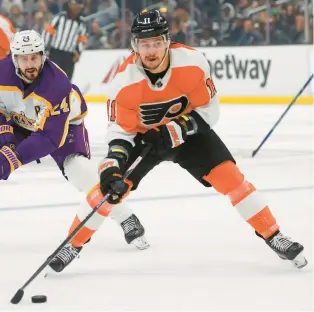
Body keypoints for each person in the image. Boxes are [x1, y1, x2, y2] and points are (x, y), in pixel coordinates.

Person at [51, 9, 307, 272]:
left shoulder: (193, 63)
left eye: (157, 43)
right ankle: (72, 244)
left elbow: (209, 112)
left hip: (189, 135)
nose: (151, 50)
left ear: (168, 41)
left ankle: (274, 236)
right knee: (109, 191)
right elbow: (120, 132)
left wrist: (173, 131)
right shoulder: (123, 82)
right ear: (134, 45)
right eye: (144, 44)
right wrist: (112, 166)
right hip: (144, 140)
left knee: (232, 179)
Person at [0, 30, 149, 273]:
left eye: (35, 57)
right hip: (22, 121)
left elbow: (50, 137)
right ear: (14, 58)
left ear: (43, 56)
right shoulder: (0, 72)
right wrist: (4, 132)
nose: (31, 64)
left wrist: (13, 158)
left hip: (64, 126)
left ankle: (124, 216)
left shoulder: (56, 84)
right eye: (25, 59)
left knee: (82, 173)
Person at [42, 0, 87, 81]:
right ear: (69, 5)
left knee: (66, 80)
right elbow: (47, 33)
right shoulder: (59, 18)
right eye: (75, 4)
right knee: (52, 78)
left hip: (69, 56)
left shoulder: (81, 23)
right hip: (55, 53)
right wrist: (45, 50)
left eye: (79, 5)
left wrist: (79, 52)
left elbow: (82, 40)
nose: (77, 7)